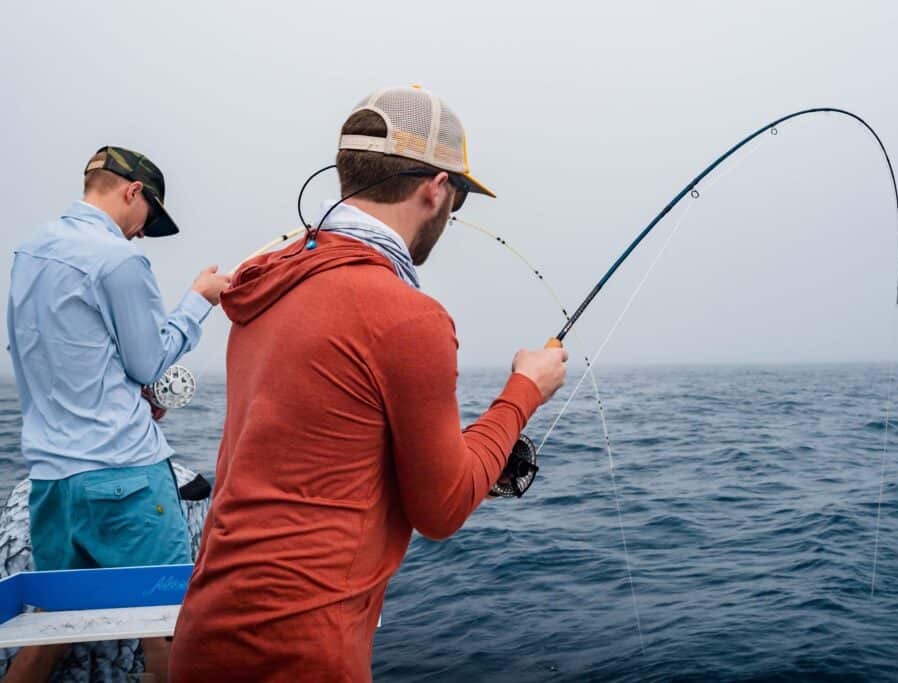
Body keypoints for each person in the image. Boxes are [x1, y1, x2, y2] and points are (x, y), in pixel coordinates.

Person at [169, 86, 568, 682]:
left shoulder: (264, 288)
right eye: (456, 200)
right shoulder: (408, 317)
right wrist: (524, 391)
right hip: (302, 655)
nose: (451, 216)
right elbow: (443, 507)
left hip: (203, 636)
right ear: (435, 188)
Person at [4, 146, 231, 682]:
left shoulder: (30, 252)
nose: (141, 235)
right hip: (126, 478)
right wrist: (200, 299)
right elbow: (150, 358)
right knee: (172, 628)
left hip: (53, 485)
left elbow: (51, 355)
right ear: (133, 192)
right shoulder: (119, 258)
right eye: (148, 220)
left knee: (51, 633)